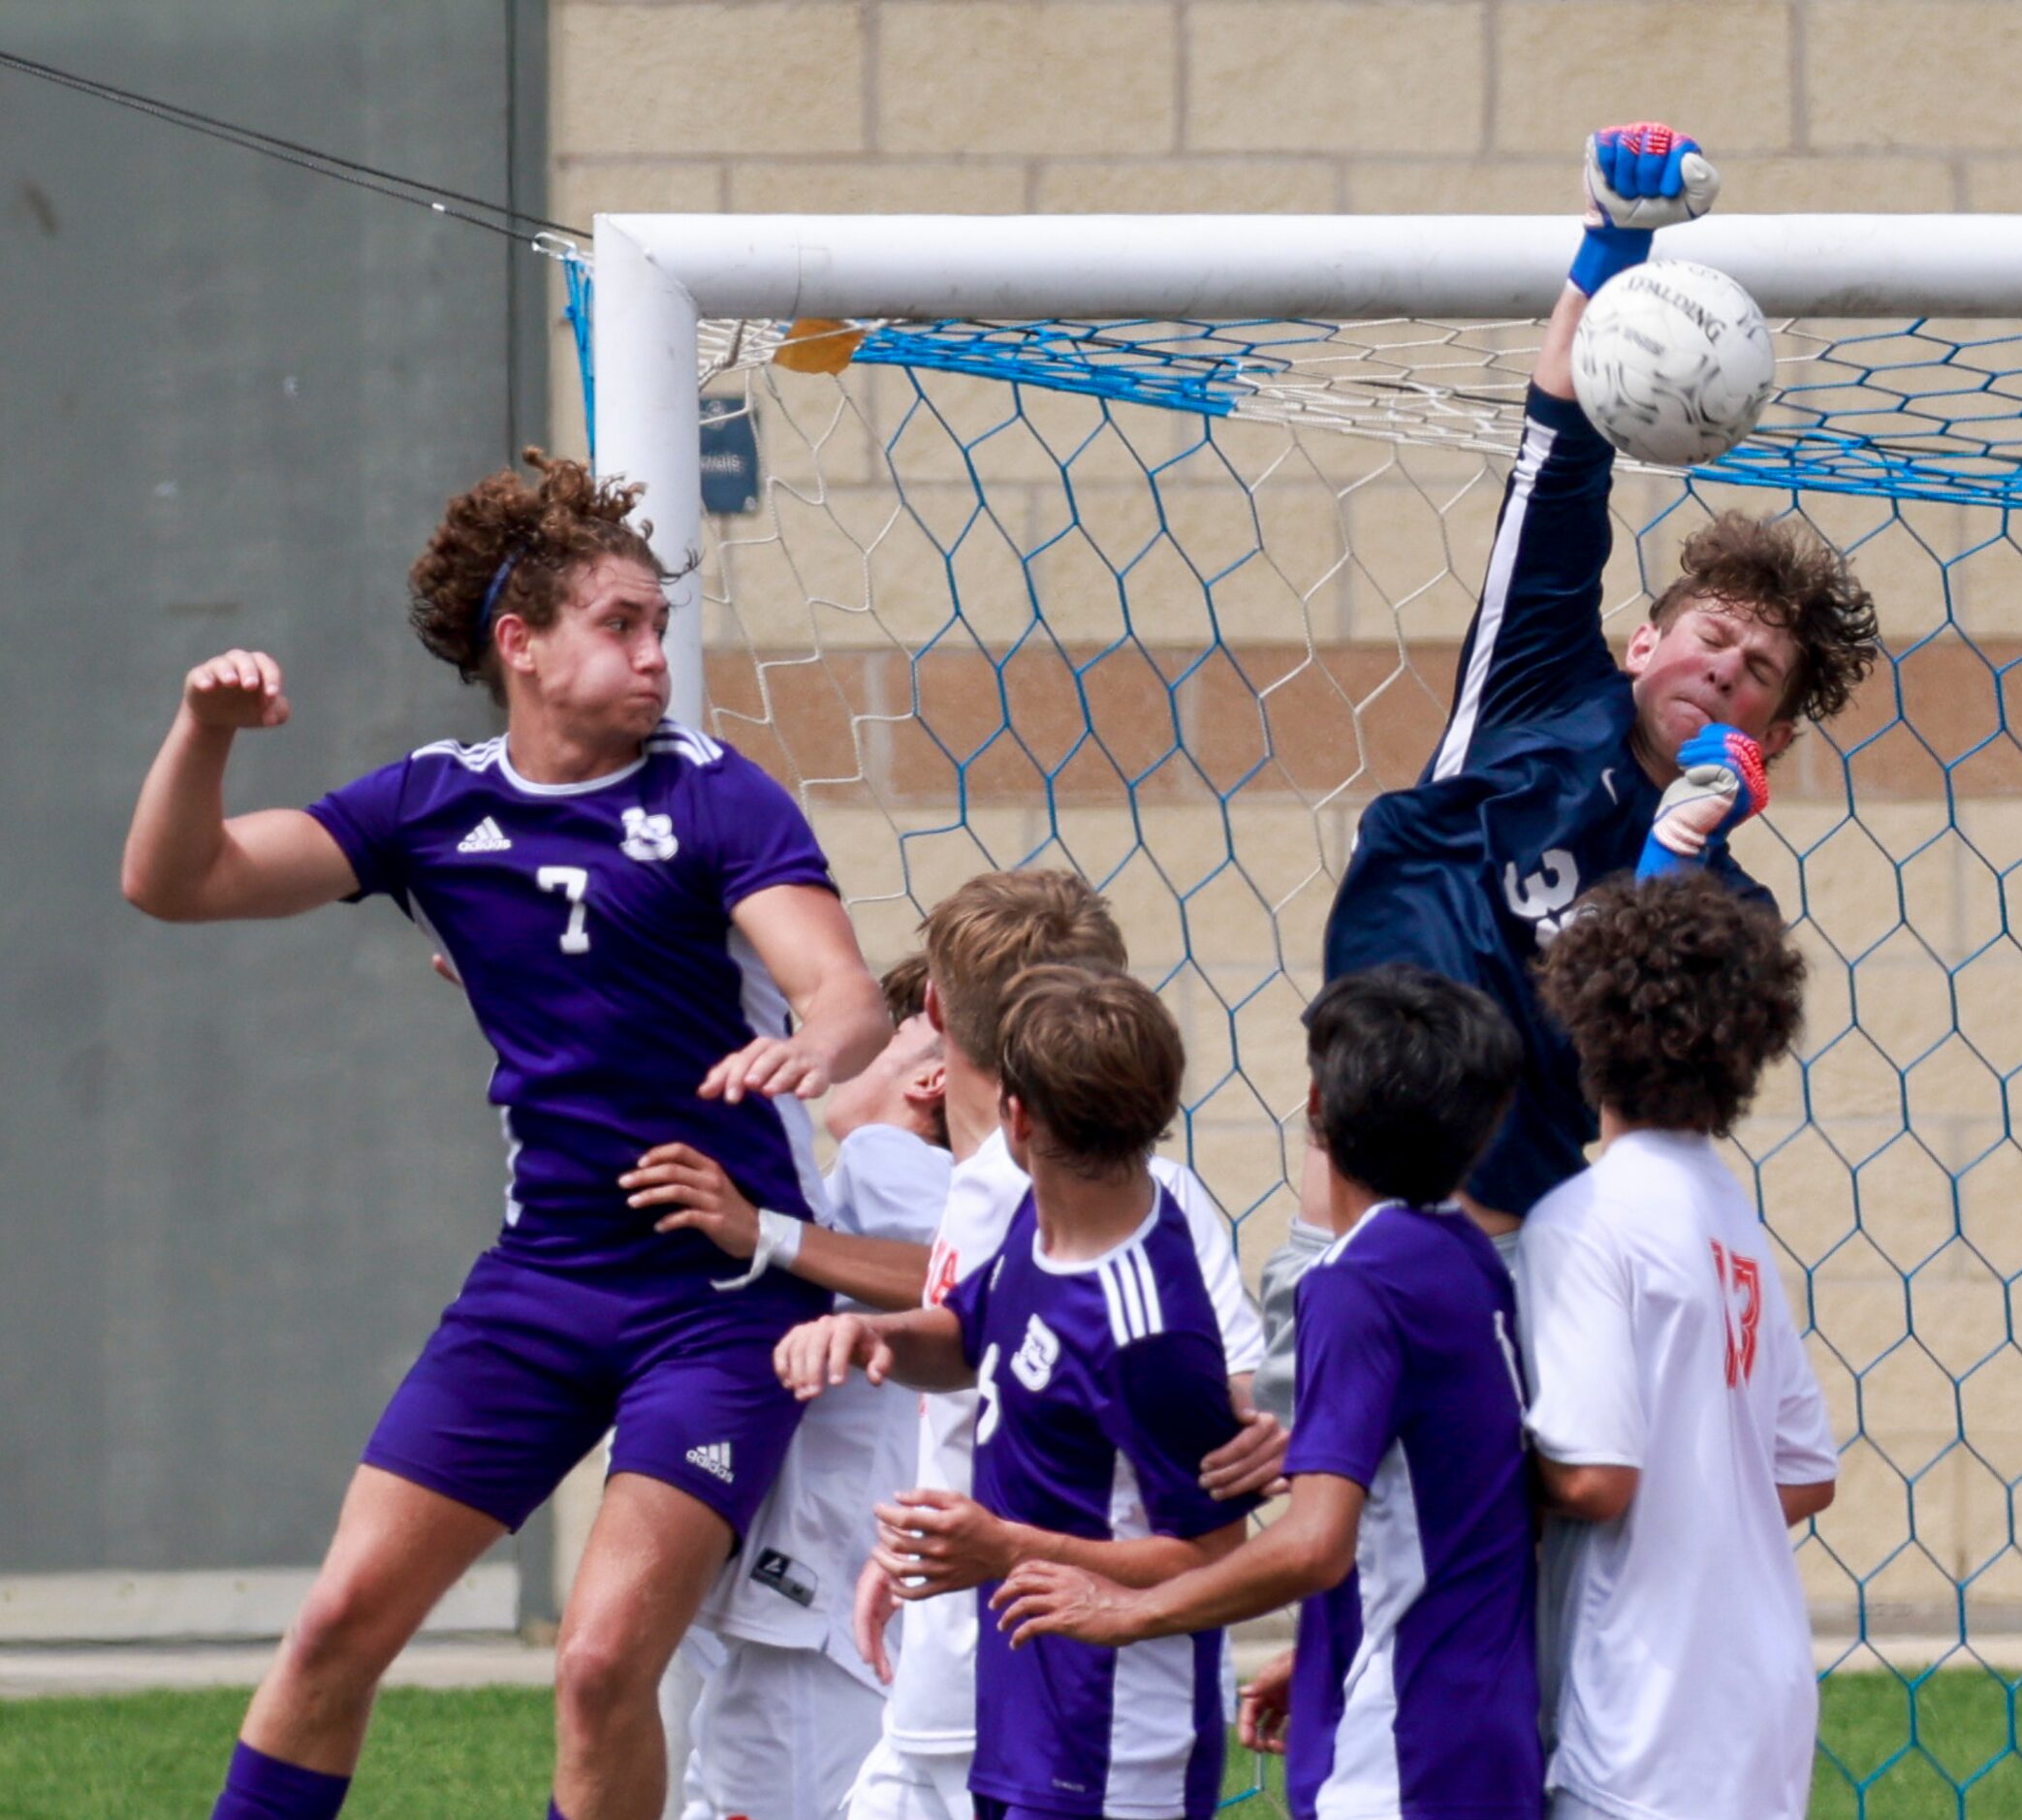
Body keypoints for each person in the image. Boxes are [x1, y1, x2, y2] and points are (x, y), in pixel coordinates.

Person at [120, 449, 892, 1820]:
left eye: (661, 624)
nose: (658, 655)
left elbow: (841, 990)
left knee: (599, 1666)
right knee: (338, 1621)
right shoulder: (432, 804)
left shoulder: (716, 795)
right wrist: (206, 728)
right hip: (540, 1288)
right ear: (519, 645)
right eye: (623, 625)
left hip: (717, 1307)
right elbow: (176, 880)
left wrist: (813, 1045)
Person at [1252, 121, 1881, 1416]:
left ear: (1765, 735)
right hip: (1371, 1191)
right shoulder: (1541, 678)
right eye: (1711, 635)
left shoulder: (1733, 915)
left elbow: (1646, 1117)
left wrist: (1672, 866)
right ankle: (1309, 1289)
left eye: (1756, 672)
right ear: (1643, 638)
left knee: (1511, 1552)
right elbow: (1556, 453)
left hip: (1526, 1255)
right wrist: (1608, 246)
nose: (1723, 668)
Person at [990, 964, 1542, 1820]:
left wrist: (1129, 1609)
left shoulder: (1355, 1281)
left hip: (1402, 1741)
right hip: (1475, 1716)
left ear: (1317, 1107)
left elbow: (1313, 1545)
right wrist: (1323, 1647)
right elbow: (1454, 1499)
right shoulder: (1466, 1257)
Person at [823, 869, 1279, 1820]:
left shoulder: (1128, 1264)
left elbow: (1216, 1504)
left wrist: (1277, 1431)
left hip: (1079, 1690)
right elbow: (972, 1353)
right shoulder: (1030, 1208)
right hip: (981, 1655)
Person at [1519, 872, 1838, 1820]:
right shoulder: (1729, 1213)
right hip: (1758, 1695)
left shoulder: (1580, 1222)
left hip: (1644, 1718)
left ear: (1583, 1026)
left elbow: (1595, 1479)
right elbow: (1806, 1471)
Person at [663, 956, 953, 1820]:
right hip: (833, 1596)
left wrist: (766, 1233)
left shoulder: (891, 1162)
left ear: (931, 1079)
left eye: (899, 1032)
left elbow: (960, 1280)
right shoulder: (884, 1180)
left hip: (826, 1607)